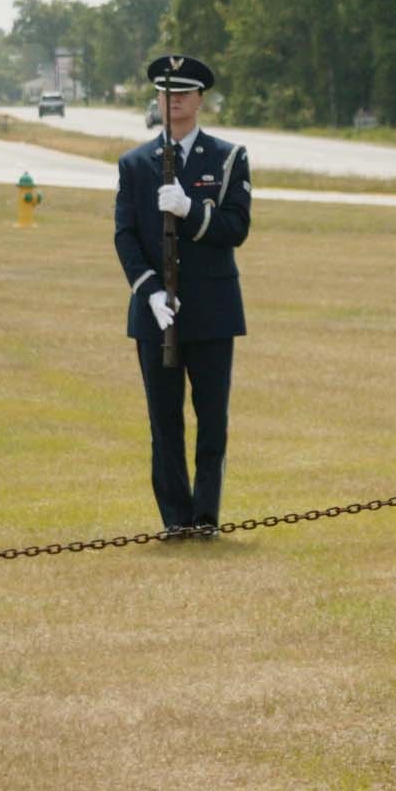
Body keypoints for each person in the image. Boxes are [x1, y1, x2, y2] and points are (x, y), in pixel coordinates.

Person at [113, 54, 251, 535]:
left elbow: (236, 227)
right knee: (164, 421)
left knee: (212, 420)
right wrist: (150, 291)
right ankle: (175, 519)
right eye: (167, 94)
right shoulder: (134, 163)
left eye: (184, 94)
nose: (175, 102)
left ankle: (206, 516)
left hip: (212, 309)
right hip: (155, 312)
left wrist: (191, 211)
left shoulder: (229, 158)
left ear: (199, 100)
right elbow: (125, 236)